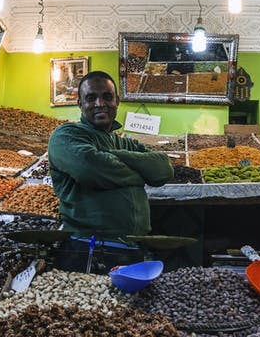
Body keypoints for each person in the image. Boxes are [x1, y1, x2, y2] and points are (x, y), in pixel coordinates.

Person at [47, 70, 173, 271]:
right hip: (88, 248)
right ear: (80, 104)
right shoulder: (66, 135)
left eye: (107, 97)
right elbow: (90, 169)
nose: (99, 103)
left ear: (117, 101)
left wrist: (115, 156)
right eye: (91, 98)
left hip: (132, 248)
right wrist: (140, 175)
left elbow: (164, 169)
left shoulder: (123, 142)